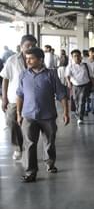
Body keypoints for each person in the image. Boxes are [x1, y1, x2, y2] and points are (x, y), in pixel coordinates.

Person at [15, 47, 69, 183]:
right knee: (29, 144)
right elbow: (20, 95)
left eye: (31, 58)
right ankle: (30, 172)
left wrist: (66, 112)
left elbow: (62, 95)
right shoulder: (23, 75)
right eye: (26, 58)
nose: (28, 61)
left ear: (40, 60)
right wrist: (18, 113)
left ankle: (50, 163)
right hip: (28, 116)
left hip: (47, 116)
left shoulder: (51, 74)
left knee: (49, 142)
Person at [1, 34, 37, 159]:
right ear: (21, 46)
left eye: (33, 45)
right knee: (12, 122)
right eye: (28, 45)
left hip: (31, 100)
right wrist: (4, 97)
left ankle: (28, 149)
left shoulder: (37, 60)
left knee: (29, 126)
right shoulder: (12, 60)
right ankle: (17, 147)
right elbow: (5, 78)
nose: (30, 48)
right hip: (13, 99)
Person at [64, 49, 94, 125]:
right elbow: (67, 75)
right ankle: (78, 113)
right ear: (72, 57)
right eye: (75, 56)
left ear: (81, 56)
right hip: (75, 86)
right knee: (76, 101)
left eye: (78, 56)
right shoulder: (70, 66)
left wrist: (93, 85)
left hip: (85, 85)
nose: (77, 57)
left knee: (82, 101)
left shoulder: (85, 65)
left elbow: (91, 76)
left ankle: (80, 117)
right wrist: (68, 83)